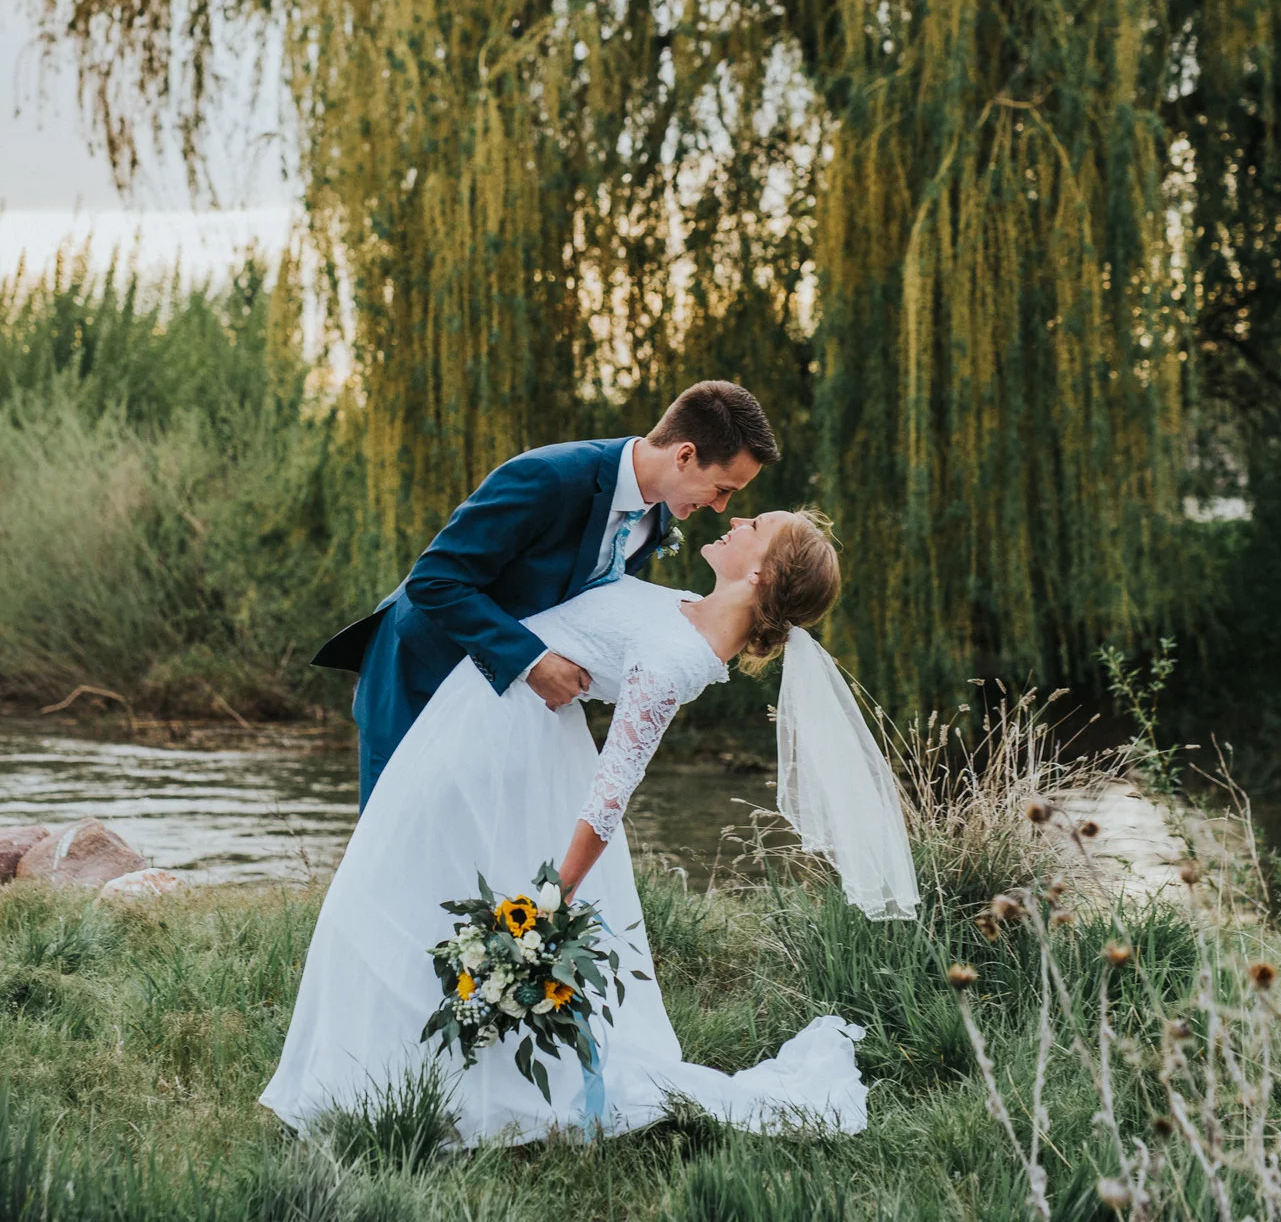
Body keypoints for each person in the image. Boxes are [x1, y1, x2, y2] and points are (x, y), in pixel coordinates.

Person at [263, 511, 920, 1145]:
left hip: (496, 740)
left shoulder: (674, 661)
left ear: (761, 575)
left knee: (382, 888)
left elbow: (611, 791)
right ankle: (376, 1083)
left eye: (756, 527)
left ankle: (375, 1091)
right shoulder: (689, 611)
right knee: (402, 889)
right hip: (495, 718)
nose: (738, 520)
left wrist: (553, 898)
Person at [311, 381, 780, 806]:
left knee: (472, 834)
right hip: (420, 669)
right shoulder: (548, 478)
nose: (722, 507)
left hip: (497, 694)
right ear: (684, 455)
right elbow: (435, 580)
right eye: (722, 489)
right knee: (399, 827)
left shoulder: (658, 516)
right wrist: (533, 661)